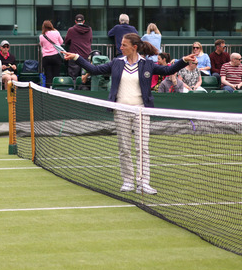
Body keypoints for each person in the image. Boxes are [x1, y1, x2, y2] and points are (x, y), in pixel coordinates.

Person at [62, 33, 194, 195]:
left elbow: (169, 69)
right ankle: (128, 181)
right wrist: (76, 57)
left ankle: (143, 183)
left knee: (142, 149)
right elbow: (94, 70)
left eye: (124, 45)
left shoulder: (147, 64)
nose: (121, 47)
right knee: (124, 148)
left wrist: (183, 61)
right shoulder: (116, 63)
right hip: (121, 111)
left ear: (134, 47)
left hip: (141, 110)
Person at [64, 14, 92, 81]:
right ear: (83, 21)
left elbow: (66, 41)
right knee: (84, 77)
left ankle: (73, 90)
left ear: (76, 21)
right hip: (86, 55)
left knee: (73, 77)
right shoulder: (89, 29)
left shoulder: (71, 30)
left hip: (74, 56)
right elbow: (90, 40)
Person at [38, 20, 64, 87]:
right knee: (56, 75)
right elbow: (61, 42)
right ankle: (56, 90)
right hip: (56, 56)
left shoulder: (41, 36)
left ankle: (48, 91)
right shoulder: (56, 33)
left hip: (46, 57)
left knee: (48, 76)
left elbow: (42, 45)